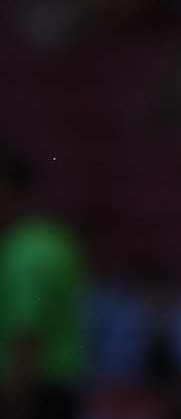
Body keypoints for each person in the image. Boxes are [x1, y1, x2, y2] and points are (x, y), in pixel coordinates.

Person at [0, 152, 88, 419]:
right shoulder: (58, 240)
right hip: (64, 385)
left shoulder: (22, 251)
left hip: (30, 393)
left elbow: (27, 333)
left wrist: (17, 405)